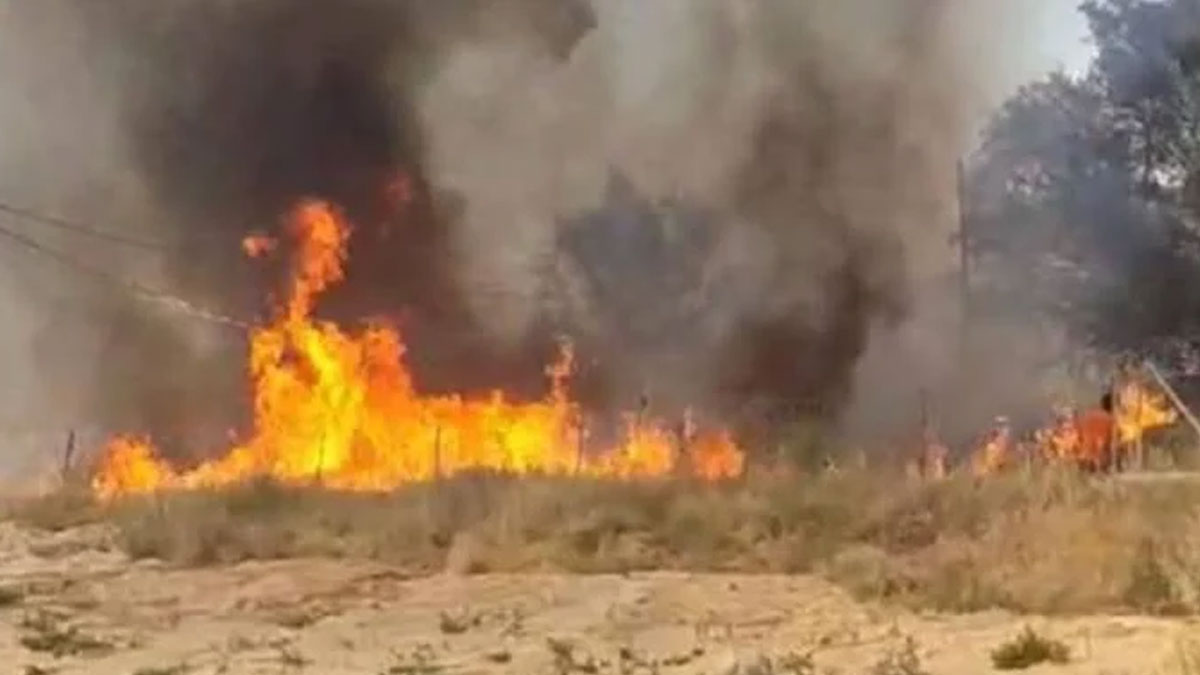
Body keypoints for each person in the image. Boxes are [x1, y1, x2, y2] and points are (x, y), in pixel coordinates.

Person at [1076, 392, 1116, 473]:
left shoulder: (1086, 415)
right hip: (1100, 457)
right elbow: (1112, 439)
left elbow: (1079, 435)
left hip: (1086, 454)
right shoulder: (1109, 419)